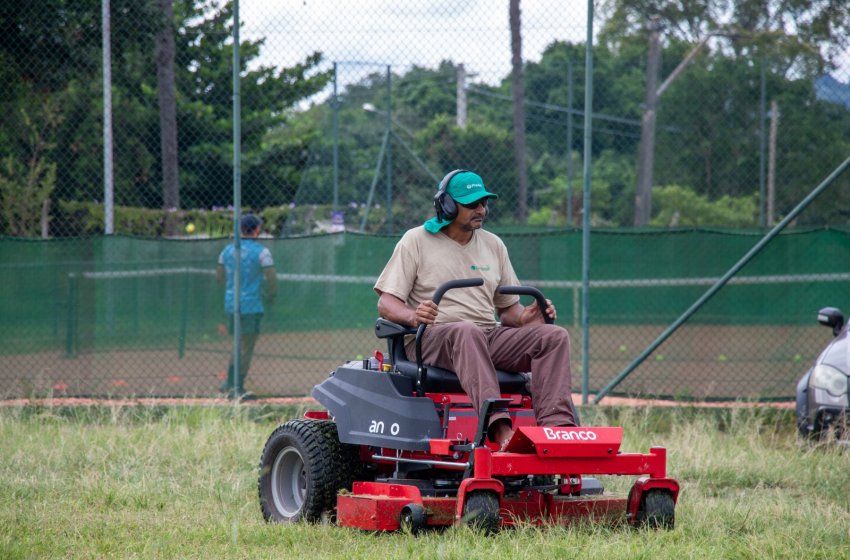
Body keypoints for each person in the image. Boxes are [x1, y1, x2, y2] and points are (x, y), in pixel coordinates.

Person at [373, 169, 577, 450]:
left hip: (485, 335)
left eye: (484, 203)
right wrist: (413, 315)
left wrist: (527, 317)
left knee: (553, 337)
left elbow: (508, 312)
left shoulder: (494, 245)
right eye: (471, 204)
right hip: (431, 338)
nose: (481, 209)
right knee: (466, 332)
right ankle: (500, 427)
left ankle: (558, 431)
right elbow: (385, 303)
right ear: (446, 205)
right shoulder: (415, 240)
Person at [216, 214, 277, 400]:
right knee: (246, 346)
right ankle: (237, 387)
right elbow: (271, 279)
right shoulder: (262, 252)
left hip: (231, 303)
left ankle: (229, 383)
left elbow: (219, 277)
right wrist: (270, 295)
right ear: (257, 230)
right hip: (251, 306)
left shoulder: (227, 251)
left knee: (237, 344)